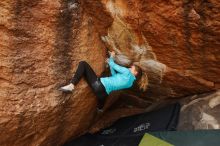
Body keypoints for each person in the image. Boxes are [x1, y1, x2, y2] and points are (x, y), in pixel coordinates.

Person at [59, 51, 147, 111]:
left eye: (132, 68)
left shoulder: (127, 72)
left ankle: (72, 85)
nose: (129, 67)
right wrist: (110, 63)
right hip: (103, 94)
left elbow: (114, 65)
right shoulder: (130, 84)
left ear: (135, 72)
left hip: (99, 85)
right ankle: (100, 109)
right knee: (101, 102)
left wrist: (112, 57)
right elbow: (114, 76)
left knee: (83, 64)